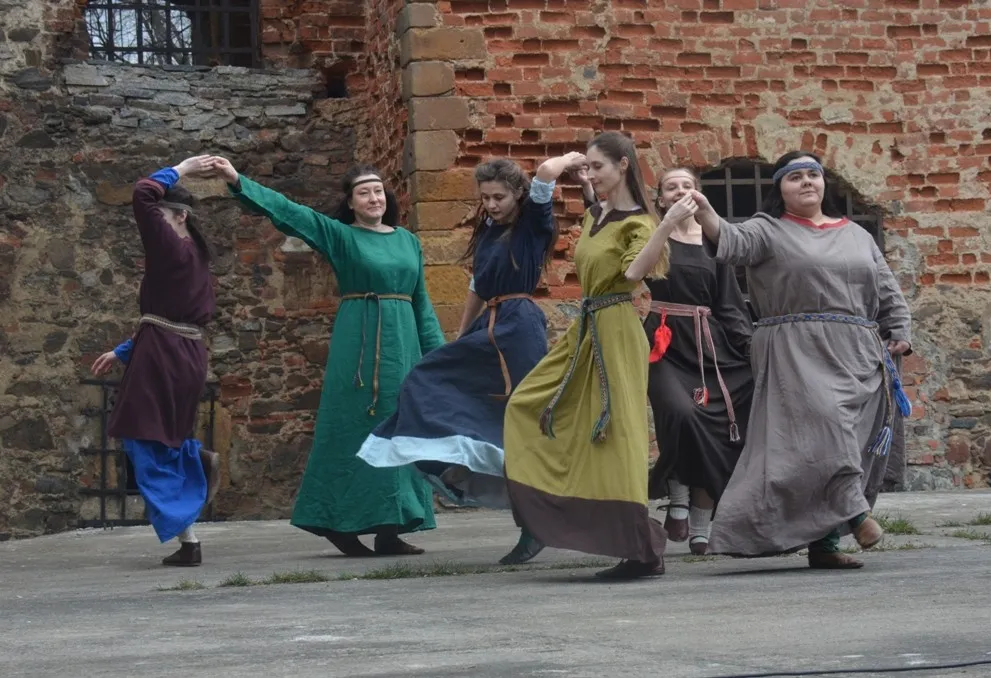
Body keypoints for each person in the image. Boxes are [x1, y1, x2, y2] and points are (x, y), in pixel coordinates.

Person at [357, 153, 591, 565]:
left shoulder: (533, 224)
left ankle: (535, 525)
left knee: (519, 424)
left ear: (518, 195)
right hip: (489, 327)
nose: (492, 204)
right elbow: (478, 287)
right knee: (424, 378)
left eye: (499, 197)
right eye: (485, 198)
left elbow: (545, 174)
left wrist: (575, 160)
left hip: (519, 329)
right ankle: (455, 463)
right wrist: (461, 337)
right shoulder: (487, 232)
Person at [208, 156, 445, 557]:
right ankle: (337, 523)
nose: (374, 198)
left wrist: (439, 360)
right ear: (351, 203)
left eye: (378, 191)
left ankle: (390, 527)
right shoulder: (340, 236)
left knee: (400, 428)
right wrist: (237, 180)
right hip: (359, 345)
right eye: (364, 193)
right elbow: (290, 214)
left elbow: (422, 303)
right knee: (351, 428)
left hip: (403, 347)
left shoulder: (408, 241)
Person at [690, 151, 913, 569]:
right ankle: (855, 513)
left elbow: (885, 285)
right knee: (828, 428)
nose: (806, 182)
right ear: (780, 188)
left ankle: (824, 545)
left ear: (824, 183)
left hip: (858, 351)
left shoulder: (856, 234)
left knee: (848, 440)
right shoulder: (768, 229)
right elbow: (731, 241)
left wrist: (900, 327)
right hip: (796, 349)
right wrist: (705, 212)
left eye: (813, 174)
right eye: (795, 177)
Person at [503, 131, 695, 580]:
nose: (590, 173)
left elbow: (633, 272)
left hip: (618, 327)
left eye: (598, 166)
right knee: (525, 404)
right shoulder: (597, 213)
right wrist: (577, 174)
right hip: (588, 326)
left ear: (623, 165)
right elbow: (594, 209)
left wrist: (666, 224)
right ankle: (554, 514)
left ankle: (641, 550)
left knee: (619, 433)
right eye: (587, 166)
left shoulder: (641, 223)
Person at [91, 156, 220, 566]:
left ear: (180, 216)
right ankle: (189, 533)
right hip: (183, 354)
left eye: (162, 216)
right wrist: (122, 351)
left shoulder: (171, 246)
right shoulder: (195, 256)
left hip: (164, 358)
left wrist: (182, 168)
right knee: (164, 438)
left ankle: (192, 488)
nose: (153, 224)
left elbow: (143, 193)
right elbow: (169, 317)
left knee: (143, 439)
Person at [644, 168, 755, 555]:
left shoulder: (714, 242)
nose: (680, 191)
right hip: (664, 342)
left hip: (709, 345)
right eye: (670, 187)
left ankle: (701, 523)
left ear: (699, 195)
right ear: (661, 199)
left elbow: (729, 302)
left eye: (687, 186)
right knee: (681, 414)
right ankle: (677, 498)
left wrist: (748, 347)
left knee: (720, 425)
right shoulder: (653, 234)